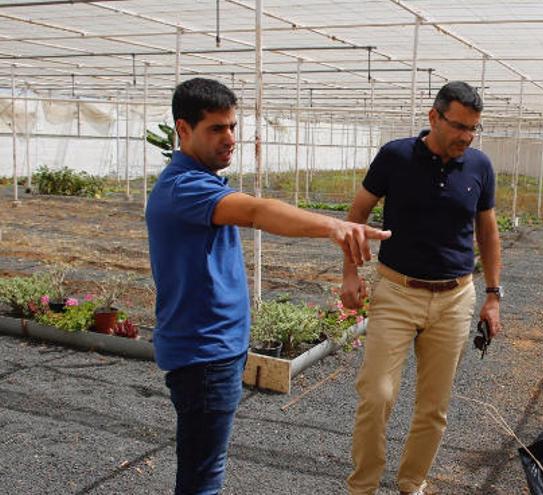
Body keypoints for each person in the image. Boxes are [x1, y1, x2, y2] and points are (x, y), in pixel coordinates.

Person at [145, 77, 390, 495]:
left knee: (204, 466)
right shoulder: (183, 187)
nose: (230, 138)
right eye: (216, 129)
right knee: (202, 477)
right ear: (183, 130)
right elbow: (258, 212)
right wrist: (334, 225)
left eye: (233, 127)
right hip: (204, 355)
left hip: (214, 350)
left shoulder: (198, 181)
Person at [342, 81, 503, 495]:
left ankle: (412, 483)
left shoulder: (480, 167)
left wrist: (492, 295)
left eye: (474, 129)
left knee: (434, 407)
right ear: (433, 117)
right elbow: (358, 213)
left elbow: (487, 232)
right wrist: (350, 273)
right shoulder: (395, 156)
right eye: (460, 126)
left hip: (454, 298)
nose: (467, 137)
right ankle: (363, 487)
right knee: (376, 396)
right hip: (396, 292)